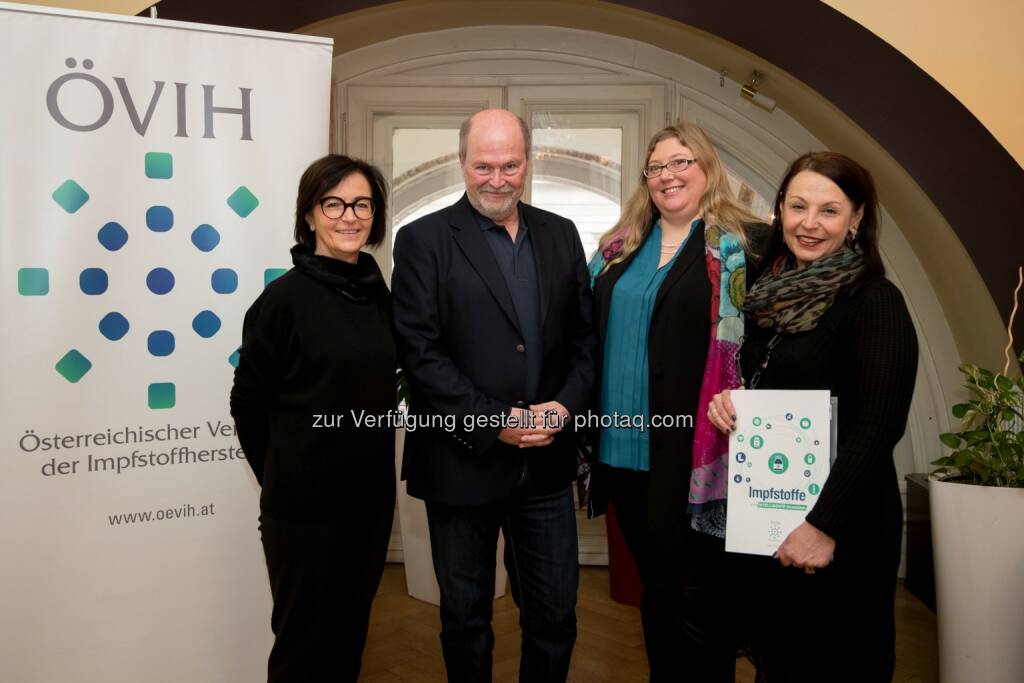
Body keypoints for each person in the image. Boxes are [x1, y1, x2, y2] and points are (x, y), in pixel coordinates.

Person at [391, 108, 596, 682]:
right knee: (465, 621)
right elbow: (421, 354)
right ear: (462, 163)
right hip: (462, 463)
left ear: (528, 162)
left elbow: (585, 340)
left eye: (510, 164)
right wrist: (494, 421)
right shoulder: (423, 241)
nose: (497, 179)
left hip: (547, 464)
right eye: (484, 165)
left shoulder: (560, 233)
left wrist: (564, 406)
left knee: (555, 617)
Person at [707, 151, 918, 682]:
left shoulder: (874, 301)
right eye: (798, 206)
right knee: (779, 662)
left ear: (857, 218)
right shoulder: (763, 297)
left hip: (842, 524)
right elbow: (760, 382)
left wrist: (822, 525)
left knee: (837, 663)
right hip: (774, 516)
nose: (809, 223)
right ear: (780, 209)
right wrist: (727, 402)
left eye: (829, 210)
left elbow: (880, 425)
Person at [587, 122, 768, 681]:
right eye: (656, 167)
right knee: (657, 591)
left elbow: (766, 348)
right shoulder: (616, 249)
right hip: (620, 454)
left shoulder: (746, 247)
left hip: (693, 453)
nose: (667, 176)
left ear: (707, 167)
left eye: (681, 162)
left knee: (698, 600)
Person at [229, 154, 396, 682]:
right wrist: (284, 473)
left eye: (362, 204)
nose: (350, 216)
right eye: (334, 203)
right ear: (309, 215)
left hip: (368, 504)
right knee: (303, 651)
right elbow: (247, 405)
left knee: (348, 642)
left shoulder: (379, 295)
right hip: (304, 511)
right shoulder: (283, 301)